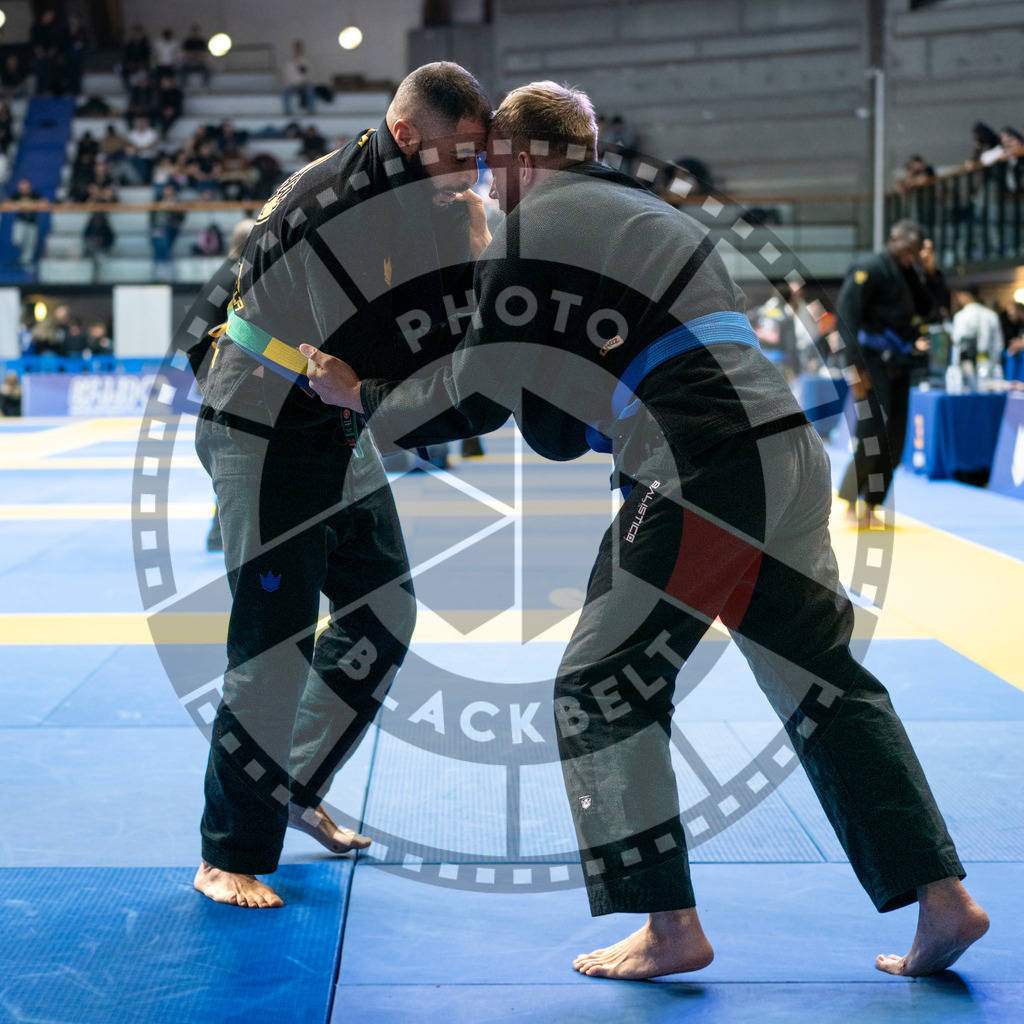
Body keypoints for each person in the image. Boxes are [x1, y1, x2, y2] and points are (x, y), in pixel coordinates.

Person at [299, 80, 989, 980]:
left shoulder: (531, 224)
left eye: (487, 168)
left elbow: (481, 388)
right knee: (824, 683)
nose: (482, 185)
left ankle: (669, 926)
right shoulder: (652, 214)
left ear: (517, 156)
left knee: (599, 684)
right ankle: (943, 900)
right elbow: (550, 408)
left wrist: (364, 396)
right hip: (784, 454)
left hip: (700, 467)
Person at [190, 61, 492, 910]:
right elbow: (391, 353)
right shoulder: (335, 203)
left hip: (331, 418)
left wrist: (470, 245)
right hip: (264, 422)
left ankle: (292, 785)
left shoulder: (417, 193)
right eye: (458, 157)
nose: (469, 175)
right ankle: (226, 851)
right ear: (406, 137)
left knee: (384, 610)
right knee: (271, 639)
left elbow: (431, 335)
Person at [835, 221, 939, 529]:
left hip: (899, 363)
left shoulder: (908, 273)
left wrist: (929, 271)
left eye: (915, 252)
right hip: (869, 362)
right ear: (893, 240)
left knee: (895, 438)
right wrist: (853, 364)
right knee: (872, 432)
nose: (911, 255)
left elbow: (929, 306)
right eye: (907, 249)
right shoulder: (868, 267)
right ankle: (851, 501)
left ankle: (871, 504)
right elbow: (847, 313)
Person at [950, 289, 1004, 378]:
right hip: (989, 364)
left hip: (966, 366)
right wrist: (995, 365)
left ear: (964, 296)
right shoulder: (992, 315)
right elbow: (998, 344)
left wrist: (955, 368)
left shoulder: (960, 317)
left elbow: (957, 343)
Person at [11, 178, 45, 268]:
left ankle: (26, 262)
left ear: (29, 186)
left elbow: (45, 203)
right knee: (18, 240)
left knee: (30, 244)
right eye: (21, 186)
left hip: (32, 223)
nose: (23, 188)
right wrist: (17, 205)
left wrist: (32, 205)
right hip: (21, 222)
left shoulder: (34, 195)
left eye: (25, 185)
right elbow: (6, 204)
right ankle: (24, 256)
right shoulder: (16, 195)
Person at [281, 41, 314, 115]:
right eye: (296, 49)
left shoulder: (307, 62)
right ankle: (287, 110)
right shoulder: (290, 62)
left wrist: (304, 82)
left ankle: (311, 110)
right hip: (293, 85)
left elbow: (309, 74)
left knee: (310, 89)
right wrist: (292, 84)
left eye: (299, 49)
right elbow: (287, 75)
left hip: (304, 85)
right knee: (285, 91)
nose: (298, 50)